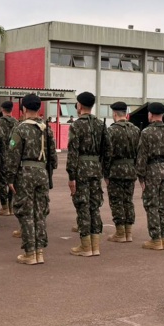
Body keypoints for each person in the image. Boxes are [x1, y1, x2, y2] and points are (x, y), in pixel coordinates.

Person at [3, 94, 57, 264]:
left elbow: (13, 155)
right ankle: (39, 251)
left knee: (26, 212)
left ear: (24, 109)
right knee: (40, 211)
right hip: (42, 172)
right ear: (39, 108)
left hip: (25, 173)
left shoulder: (20, 129)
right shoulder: (46, 129)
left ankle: (30, 252)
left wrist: (10, 178)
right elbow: (53, 156)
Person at [66, 91, 110, 257]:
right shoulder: (100, 124)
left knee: (83, 206)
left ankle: (85, 246)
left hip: (81, 170)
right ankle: (95, 246)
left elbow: (73, 152)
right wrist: (104, 171)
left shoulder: (76, 125)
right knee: (94, 206)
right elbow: (107, 150)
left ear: (80, 105)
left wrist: (71, 176)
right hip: (96, 169)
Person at [136, 102, 164, 250]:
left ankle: (155, 238)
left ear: (151, 114)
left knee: (151, 205)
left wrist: (141, 176)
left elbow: (142, 155)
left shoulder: (146, 132)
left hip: (152, 170)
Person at [102, 101, 141, 243]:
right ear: (126, 113)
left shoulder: (111, 131)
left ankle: (120, 233)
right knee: (128, 200)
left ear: (114, 114)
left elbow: (107, 154)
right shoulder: (136, 130)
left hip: (115, 170)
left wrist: (105, 173)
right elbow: (140, 152)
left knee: (116, 201)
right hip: (131, 170)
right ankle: (128, 232)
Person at [0, 101, 18, 215]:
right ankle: (11, 206)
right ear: (11, 109)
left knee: (2, 182)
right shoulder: (17, 123)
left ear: (2, 109)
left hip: (1, 156)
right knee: (12, 180)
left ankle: (4, 207)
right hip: (14, 156)